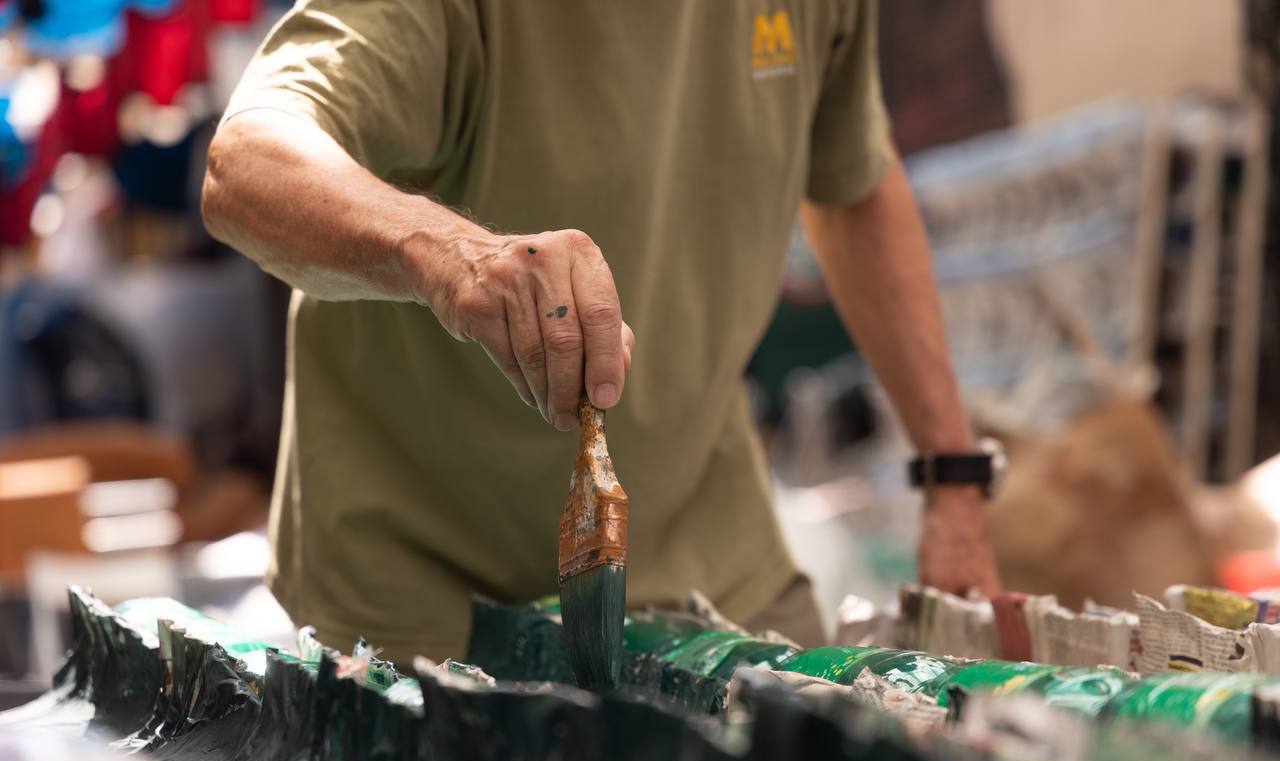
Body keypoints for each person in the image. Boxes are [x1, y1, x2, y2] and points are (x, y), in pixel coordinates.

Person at [202, 0, 1001, 665]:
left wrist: (953, 474)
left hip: (710, 551)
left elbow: (851, 178)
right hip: (427, 597)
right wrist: (456, 257)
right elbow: (247, 163)